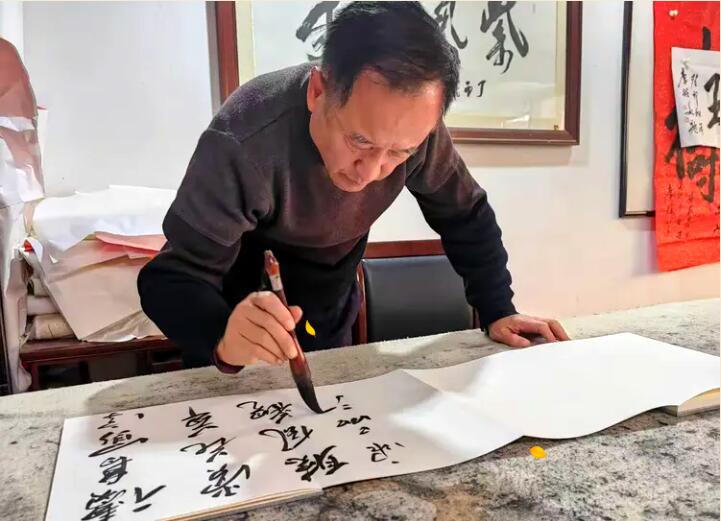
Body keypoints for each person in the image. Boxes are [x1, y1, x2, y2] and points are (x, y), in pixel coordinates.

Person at [138, 2, 569, 373]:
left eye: (398, 153)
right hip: (237, 321)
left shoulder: (415, 133)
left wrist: (497, 310)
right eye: (359, 142)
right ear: (318, 91)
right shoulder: (245, 140)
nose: (372, 172)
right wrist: (222, 335)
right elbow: (171, 279)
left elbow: (466, 216)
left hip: (329, 308)